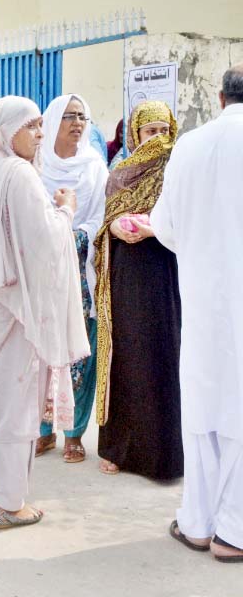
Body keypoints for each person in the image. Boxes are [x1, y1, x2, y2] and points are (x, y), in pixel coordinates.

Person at [0, 95, 89, 529]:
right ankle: (9, 504)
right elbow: (45, 241)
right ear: (5, 131)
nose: (38, 133)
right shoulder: (18, 174)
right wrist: (66, 211)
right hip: (14, 309)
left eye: (38, 124)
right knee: (17, 403)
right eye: (29, 125)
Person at [151, 64, 243, 562]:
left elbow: (166, 227)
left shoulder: (188, 145)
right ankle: (236, 532)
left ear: (220, 97)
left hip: (204, 299)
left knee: (205, 408)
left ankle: (199, 523)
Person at [93, 101, 183, 480]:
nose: (158, 140)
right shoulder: (119, 173)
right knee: (128, 354)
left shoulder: (180, 172)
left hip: (165, 270)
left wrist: (157, 228)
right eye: (151, 132)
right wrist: (114, 229)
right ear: (135, 135)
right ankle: (118, 448)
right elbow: (106, 221)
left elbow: (188, 220)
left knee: (165, 353)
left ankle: (165, 455)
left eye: (165, 131)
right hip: (128, 275)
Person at [35, 94, 109, 463]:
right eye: (69, 116)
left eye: (82, 116)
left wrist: (72, 235)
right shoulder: (36, 165)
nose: (77, 123)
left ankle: (74, 433)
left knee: (80, 350)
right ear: (51, 122)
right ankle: (42, 429)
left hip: (82, 268)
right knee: (41, 351)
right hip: (41, 271)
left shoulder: (94, 167)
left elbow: (99, 218)